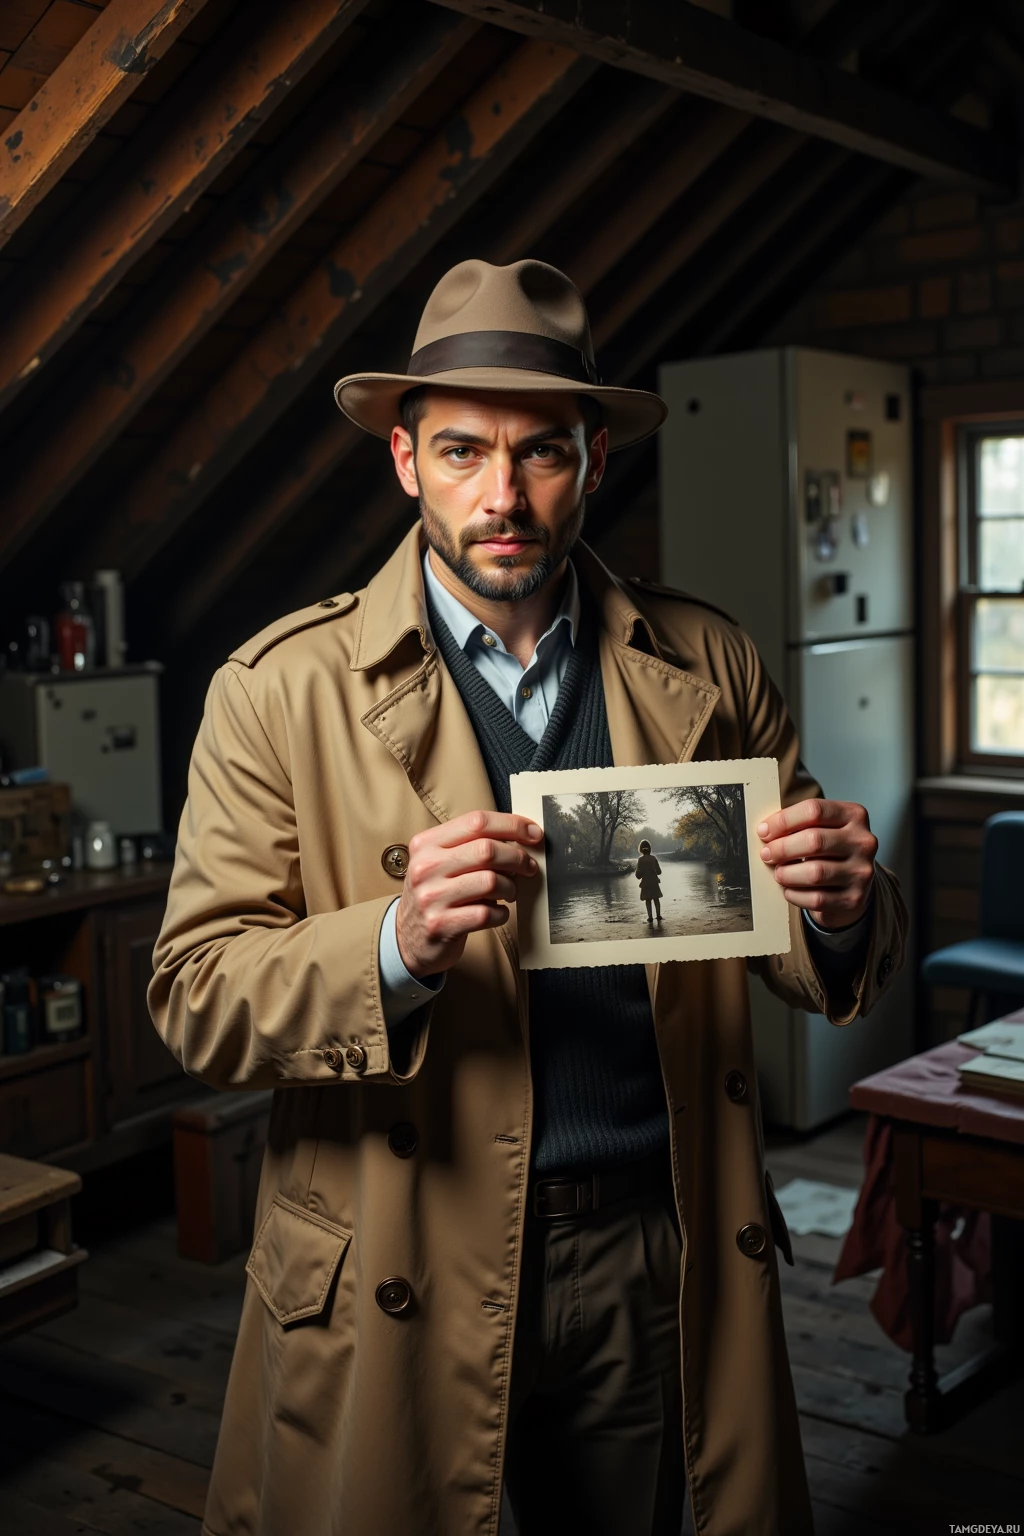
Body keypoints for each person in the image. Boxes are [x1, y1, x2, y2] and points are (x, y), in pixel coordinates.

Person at [149, 258, 907, 1536]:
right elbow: (194, 994)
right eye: (460, 452)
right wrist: (389, 945)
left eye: (542, 454)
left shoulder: (708, 660)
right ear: (403, 461)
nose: (502, 496)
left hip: (647, 1254)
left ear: (594, 461)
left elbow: (799, 939)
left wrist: (836, 903)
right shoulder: (275, 690)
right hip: (398, 1238)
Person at [635, 838, 662, 924]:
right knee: (656, 899)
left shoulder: (640, 860)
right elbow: (659, 872)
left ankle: (650, 917)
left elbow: (638, 875)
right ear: (650, 848)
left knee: (648, 900)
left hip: (645, 883)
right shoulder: (653, 858)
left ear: (640, 849)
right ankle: (658, 916)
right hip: (654, 882)